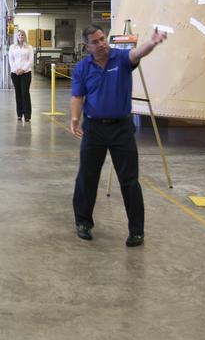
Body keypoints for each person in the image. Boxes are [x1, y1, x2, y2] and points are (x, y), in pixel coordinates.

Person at [70, 24, 168, 246]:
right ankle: (83, 222)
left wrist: (151, 43)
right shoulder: (82, 68)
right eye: (95, 42)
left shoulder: (121, 59)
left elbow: (136, 53)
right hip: (93, 129)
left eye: (102, 38)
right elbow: (77, 96)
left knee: (129, 180)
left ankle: (136, 230)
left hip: (121, 129)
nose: (102, 44)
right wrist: (74, 119)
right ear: (87, 47)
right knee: (87, 177)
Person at [8, 29, 35, 123]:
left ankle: (27, 115)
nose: (20, 37)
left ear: (25, 36)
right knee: (18, 93)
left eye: (22, 35)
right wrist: (16, 70)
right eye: (19, 35)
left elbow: (30, 61)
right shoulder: (12, 47)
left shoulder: (29, 47)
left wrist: (23, 69)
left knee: (25, 93)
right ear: (16, 36)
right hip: (15, 73)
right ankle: (19, 114)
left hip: (26, 73)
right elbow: (11, 60)